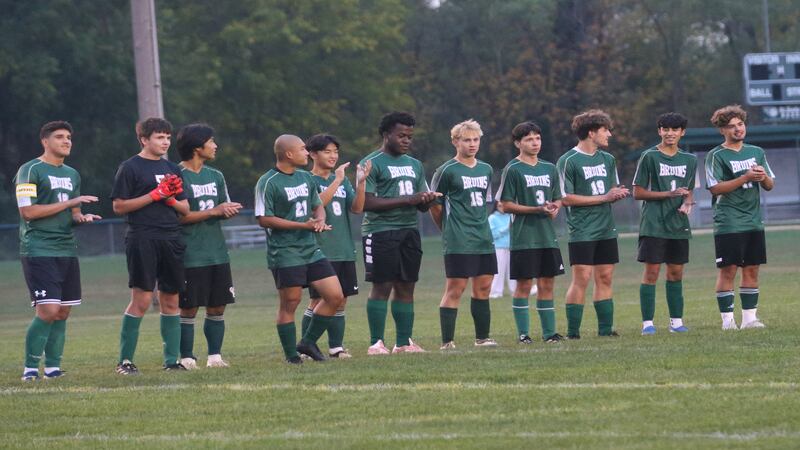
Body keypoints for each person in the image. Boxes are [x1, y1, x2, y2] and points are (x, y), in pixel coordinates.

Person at [16, 121, 101, 381]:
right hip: (38, 248)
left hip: (66, 249)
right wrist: (72, 202)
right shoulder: (29, 170)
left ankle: (52, 369)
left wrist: (82, 218)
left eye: (69, 137)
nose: (66, 141)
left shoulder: (72, 174)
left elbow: (74, 213)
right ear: (45, 141)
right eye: (60, 137)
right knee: (48, 310)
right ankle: (30, 369)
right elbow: (27, 211)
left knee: (63, 311)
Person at [254, 134, 345, 364]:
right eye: (303, 149)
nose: (306, 153)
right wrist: (303, 225)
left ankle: (307, 342)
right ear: (288, 154)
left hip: (310, 249)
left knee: (335, 296)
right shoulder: (268, 181)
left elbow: (317, 205)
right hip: (285, 252)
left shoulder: (305, 177)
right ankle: (291, 356)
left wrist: (320, 219)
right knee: (290, 303)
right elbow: (264, 219)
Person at [111, 117, 190, 374]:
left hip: (171, 237)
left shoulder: (173, 169)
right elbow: (119, 206)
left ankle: (171, 361)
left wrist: (170, 200)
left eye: (167, 137)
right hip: (142, 237)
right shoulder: (130, 167)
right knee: (142, 299)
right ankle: (125, 361)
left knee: (171, 300)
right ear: (144, 139)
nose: (165, 142)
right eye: (159, 137)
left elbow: (185, 209)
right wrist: (155, 195)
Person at [360, 112, 440, 355]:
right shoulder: (371, 163)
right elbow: (366, 202)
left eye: (410, 136)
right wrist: (409, 199)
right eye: (401, 135)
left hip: (409, 231)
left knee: (406, 286)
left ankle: (403, 342)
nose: (406, 140)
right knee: (382, 286)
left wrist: (427, 200)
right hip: (380, 232)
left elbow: (420, 205)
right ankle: (376, 343)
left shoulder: (415, 164)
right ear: (386, 135)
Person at [556, 110, 629, 339]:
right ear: (591, 132)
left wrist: (616, 194)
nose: (609, 134)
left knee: (605, 277)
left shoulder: (608, 159)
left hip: (606, 228)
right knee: (582, 279)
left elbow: (610, 190)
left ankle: (605, 330)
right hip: (582, 230)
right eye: (605, 130)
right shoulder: (568, 160)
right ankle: (573, 333)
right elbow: (565, 198)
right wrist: (604, 197)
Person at [175, 124, 242, 369]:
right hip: (190, 253)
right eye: (211, 141)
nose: (215, 146)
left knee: (217, 305)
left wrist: (227, 210)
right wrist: (214, 211)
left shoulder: (216, 175)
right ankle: (186, 357)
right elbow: (177, 217)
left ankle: (215, 357)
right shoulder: (176, 175)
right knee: (188, 307)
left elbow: (222, 206)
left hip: (217, 252)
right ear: (197, 147)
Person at [299, 134, 371, 359]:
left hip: (344, 248)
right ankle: (305, 347)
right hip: (319, 250)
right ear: (313, 154)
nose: (333, 156)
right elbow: (315, 206)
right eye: (327, 151)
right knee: (317, 300)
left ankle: (336, 347)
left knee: (341, 300)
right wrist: (337, 181)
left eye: (336, 152)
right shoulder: (306, 179)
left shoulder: (341, 180)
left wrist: (361, 183)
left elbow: (357, 208)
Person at [429, 119, 497, 350]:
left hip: (483, 238)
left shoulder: (486, 169)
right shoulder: (446, 170)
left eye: (475, 140)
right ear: (455, 142)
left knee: (484, 287)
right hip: (458, 239)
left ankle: (482, 338)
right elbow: (435, 206)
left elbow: (485, 202)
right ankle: (447, 342)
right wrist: (449, 230)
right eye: (467, 140)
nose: (472, 144)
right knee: (455, 288)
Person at [705, 105, 774, 330]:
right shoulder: (716, 155)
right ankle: (728, 322)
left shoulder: (756, 151)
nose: (737, 129)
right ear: (722, 130)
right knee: (729, 270)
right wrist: (745, 176)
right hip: (729, 221)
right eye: (731, 126)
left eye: (740, 124)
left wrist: (762, 176)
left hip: (753, 220)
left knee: (752, 268)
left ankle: (749, 319)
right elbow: (715, 188)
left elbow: (769, 185)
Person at [497, 121, 565, 343]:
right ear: (518, 143)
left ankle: (549, 333)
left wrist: (555, 207)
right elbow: (505, 205)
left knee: (547, 284)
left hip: (547, 237)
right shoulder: (513, 169)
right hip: (524, 238)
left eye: (537, 138)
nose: (535, 143)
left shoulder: (550, 168)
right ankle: (523, 334)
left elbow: (558, 197)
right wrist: (536, 209)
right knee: (524, 285)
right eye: (529, 139)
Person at [632, 112, 697, 335]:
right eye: (665, 129)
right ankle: (647, 324)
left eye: (675, 129)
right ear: (659, 131)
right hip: (654, 224)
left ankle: (676, 322)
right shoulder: (649, 156)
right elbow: (637, 192)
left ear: (682, 132)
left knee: (676, 273)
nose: (670, 133)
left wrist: (687, 203)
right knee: (651, 273)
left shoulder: (690, 160)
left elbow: (688, 191)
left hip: (678, 224)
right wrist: (668, 194)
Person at [489, 204, 538, 299]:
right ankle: (495, 292)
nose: (501, 207)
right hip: (499, 248)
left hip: (512, 247)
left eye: (502, 205)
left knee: (513, 271)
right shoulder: (492, 218)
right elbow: (493, 234)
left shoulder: (511, 216)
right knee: (498, 271)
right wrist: (506, 228)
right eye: (499, 206)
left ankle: (515, 290)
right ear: (496, 206)